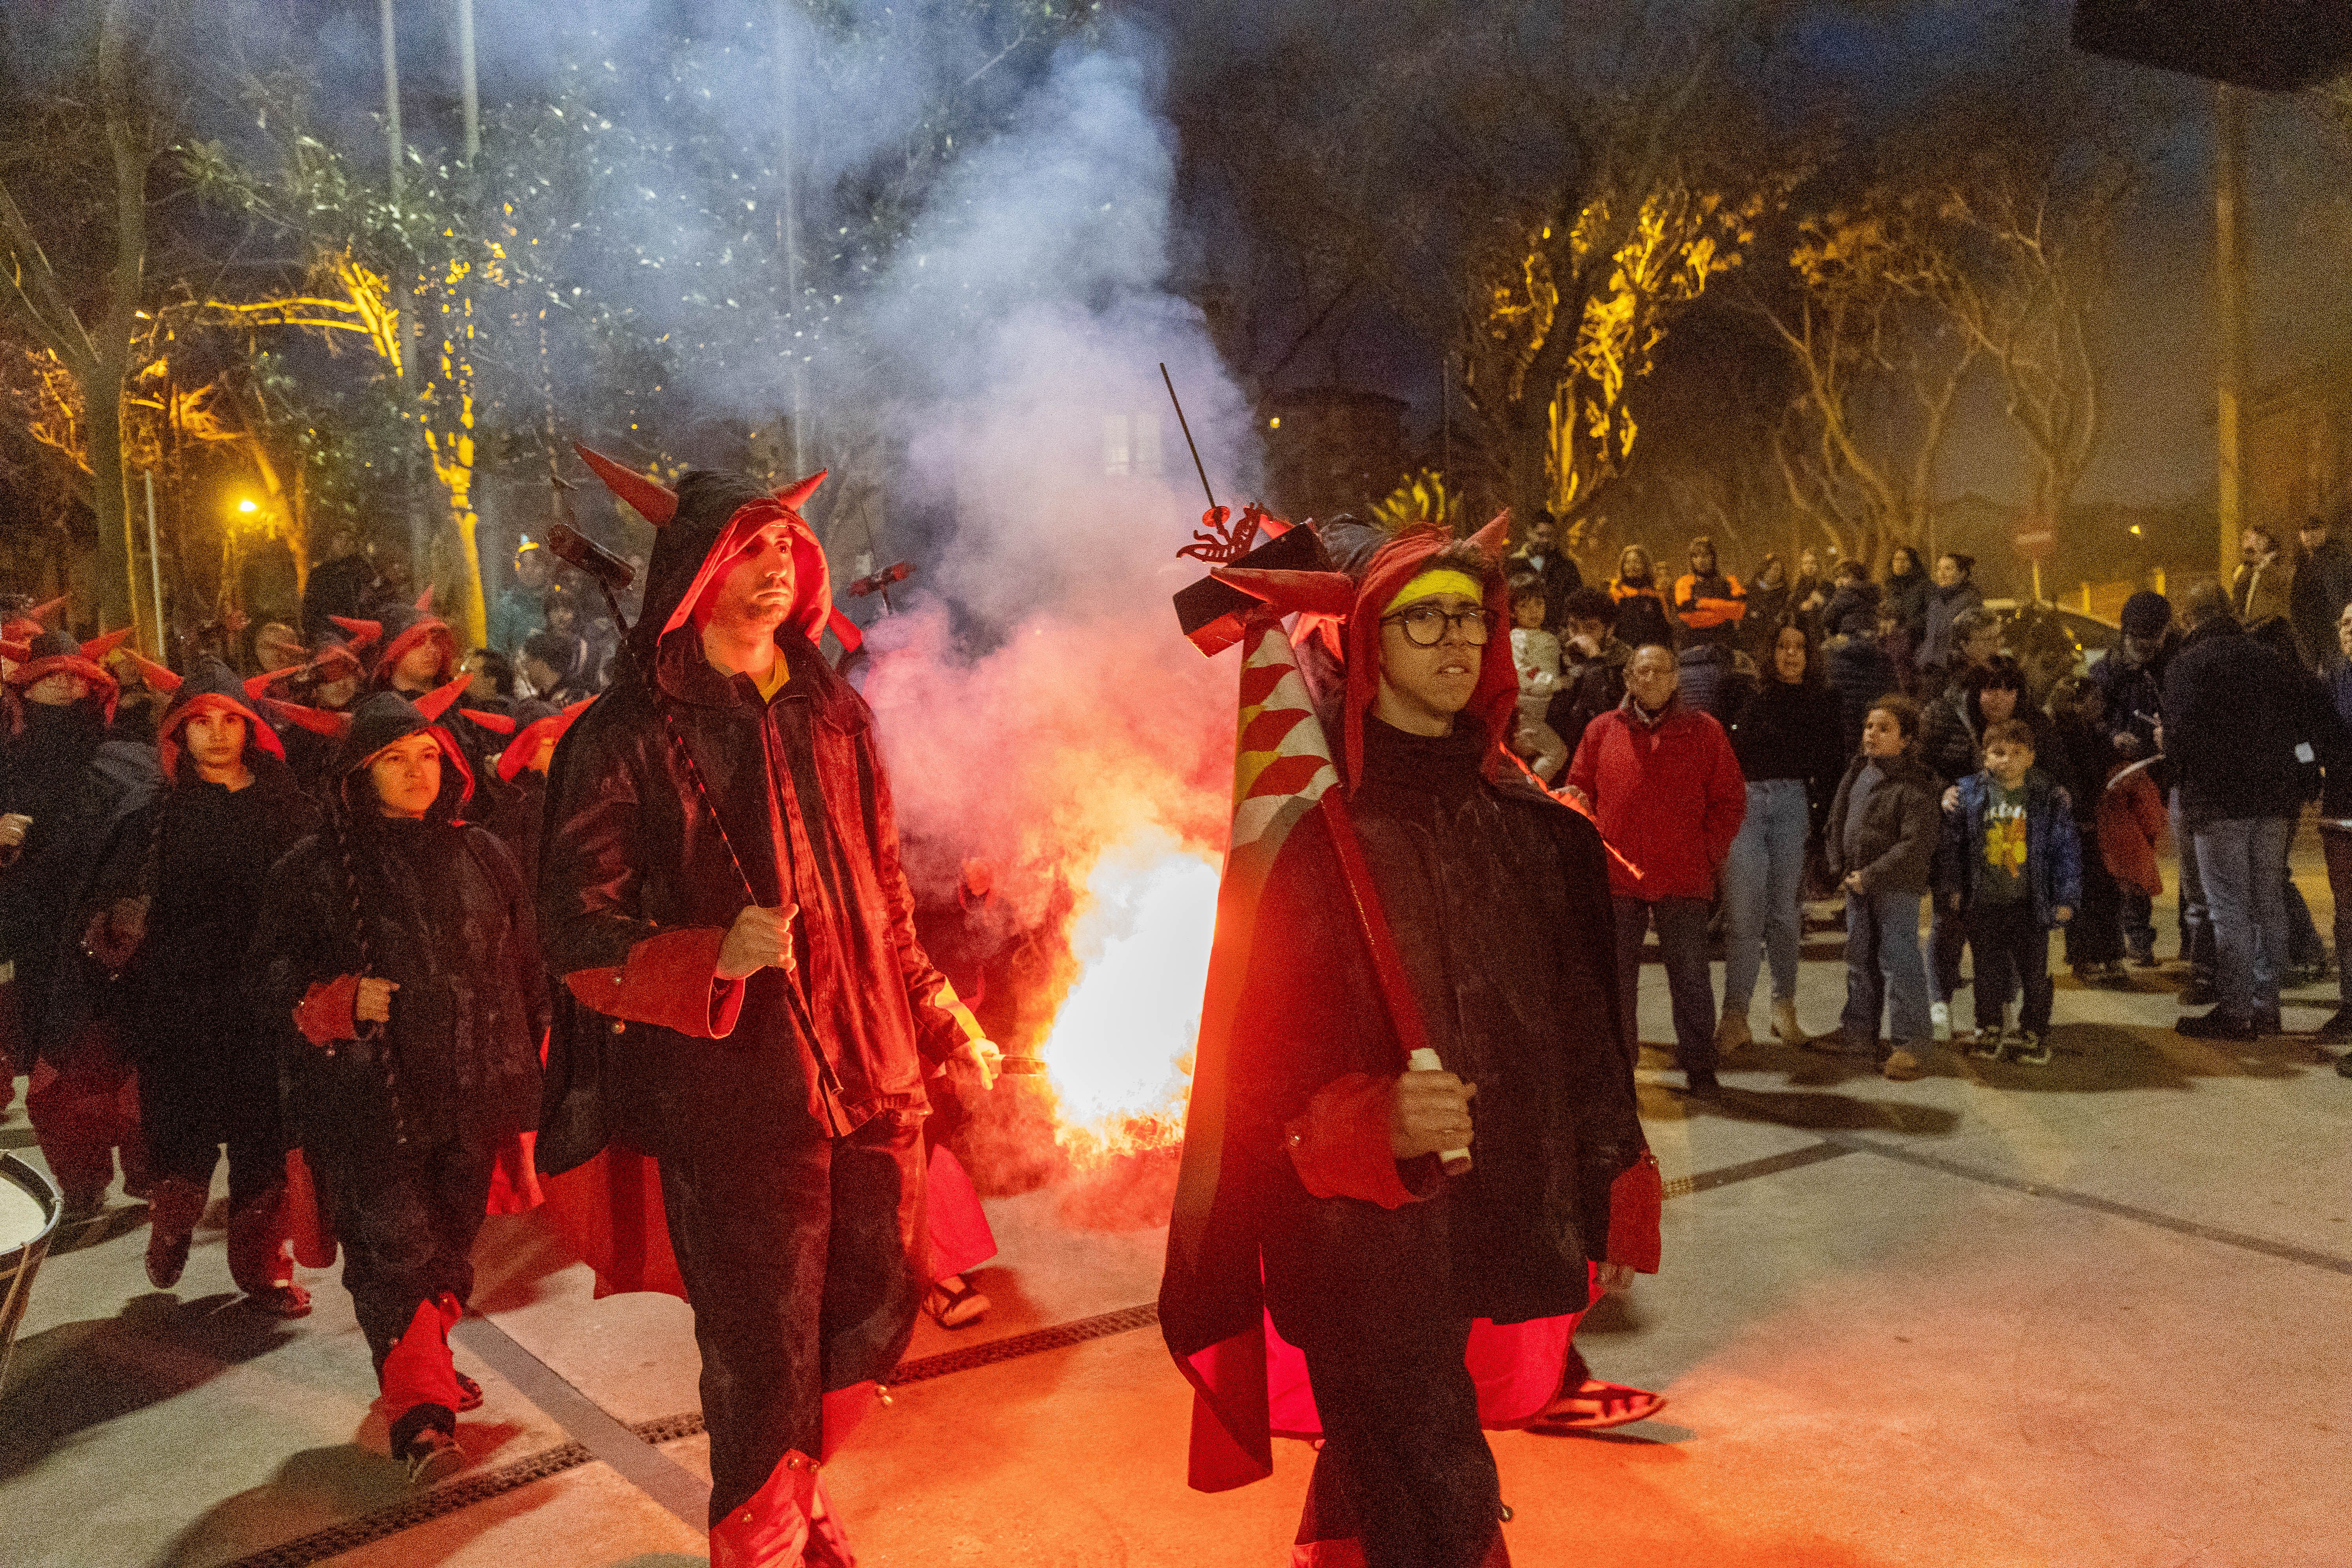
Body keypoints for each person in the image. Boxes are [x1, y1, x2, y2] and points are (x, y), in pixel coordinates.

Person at [1158, 520, 1653, 1568]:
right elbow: (1255, 1070)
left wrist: (1606, 1174)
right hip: (1354, 1241)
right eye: (1423, 618)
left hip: (1493, 1213)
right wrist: (1369, 1118)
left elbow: (1581, 1037)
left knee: (1383, 1468)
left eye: (1470, 616)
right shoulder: (1311, 841)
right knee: (1439, 1485)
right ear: (1370, 642)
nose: (1455, 641)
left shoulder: (1534, 835)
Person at [539, 451, 1001, 1564]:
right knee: (760, 1344)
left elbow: (884, 898)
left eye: (782, 546)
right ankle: (763, 1535)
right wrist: (706, 954)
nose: (773, 567)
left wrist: (942, 1014)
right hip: (739, 1099)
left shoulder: (836, 713)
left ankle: (798, 1490)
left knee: (870, 1315)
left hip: (876, 1076)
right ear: (693, 573)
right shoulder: (623, 735)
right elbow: (572, 932)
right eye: (744, 549)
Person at [254, 682, 548, 1483]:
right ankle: (421, 1418)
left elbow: (528, 971)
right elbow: (268, 979)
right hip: (365, 1103)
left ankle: (425, 1362)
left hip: (473, 1093)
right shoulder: (310, 870)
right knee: (396, 1252)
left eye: (429, 755)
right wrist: (340, 1001)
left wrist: (532, 1083)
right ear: (361, 775)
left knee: (449, 1249)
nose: (419, 772)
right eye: (395, 760)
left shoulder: (485, 853)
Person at [81, 658, 319, 1312]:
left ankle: (263, 1264)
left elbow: (315, 899)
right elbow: (108, 899)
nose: (216, 735)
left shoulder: (290, 809)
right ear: (178, 734)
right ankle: (174, 1224)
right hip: (177, 1002)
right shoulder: (153, 813)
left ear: (251, 729)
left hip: (265, 1001)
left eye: (230, 721)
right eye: (200, 722)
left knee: (264, 1137)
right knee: (181, 1129)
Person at [0, 625, 153, 1216]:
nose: (65, 686)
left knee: (132, 1052)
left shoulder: (128, 756)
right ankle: (82, 1175)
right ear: (26, 688)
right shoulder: (7, 760)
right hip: (39, 931)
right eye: (50, 678)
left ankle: (150, 1165)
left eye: (76, 676)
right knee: (60, 1061)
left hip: (119, 930)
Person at [1564, 643, 1746, 1094]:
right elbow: (1577, 787)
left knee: (1690, 977)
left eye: (1658, 671)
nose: (1648, 679)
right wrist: (1583, 814)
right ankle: (1620, 1071)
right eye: (1640, 672)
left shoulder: (1705, 732)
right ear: (1627, 678)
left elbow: (1729, 799)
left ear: (1674, 678)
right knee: (1618, 982)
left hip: (1683, 875)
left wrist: (1707, 851)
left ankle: (1700, 1065)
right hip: (1618, 875)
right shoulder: (1602, 730)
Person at [2163, 581, 2319, 1039]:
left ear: (2189, 619)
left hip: (2219, 803)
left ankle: (2235, 1010)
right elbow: (2304, 727)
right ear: (2230, 610)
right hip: (2274, 801)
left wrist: (2172, 762)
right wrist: (2305, 774)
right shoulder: (2274, 661)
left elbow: (2180, 740)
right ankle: (2267, 1006)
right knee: (2268, 900)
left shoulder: (2188, 666)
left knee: (2228, 907)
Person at [1719, 621, 1843, 1051]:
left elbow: (1830, 765)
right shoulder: (1743, 694)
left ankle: (1783, 1008)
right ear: (1769, 651)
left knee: (1787, 915)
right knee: (1744, 916)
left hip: (1794, 804)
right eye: (1783, 646)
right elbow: (1725, 754)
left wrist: (1824, 824)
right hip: (1747, 804)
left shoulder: (1824, 701)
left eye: (1800, 647)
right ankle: (1735, 1017)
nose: (1791, 654)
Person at [1938, 719, 2080, 1064]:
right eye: (1999, 753)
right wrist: (1954, 886)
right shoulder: (1969, 794)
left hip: (2030, 903)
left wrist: (2067, 897)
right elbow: (1952, 846)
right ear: (1985, 756)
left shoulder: (2047, 795)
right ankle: (1988, 1028)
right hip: (1985, 902)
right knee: (1986, 970)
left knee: (2035, 972)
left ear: (2031, 757)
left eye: (2017, 754)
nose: (2007, 760)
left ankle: (2034, 1032)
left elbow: (2065, 848)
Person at [1820, 696, 1940, 1080]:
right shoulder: (1858, 772)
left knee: (1899, 960)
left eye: (1884, 728)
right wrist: (1839, 866)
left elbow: (1914, 844)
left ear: (1906, 739)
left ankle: (1911, 1043)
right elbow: (1838, 818)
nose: (1872, 734)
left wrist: (1871, 874)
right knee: (1859, 958)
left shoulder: (1916, 787)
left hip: (1896, 887)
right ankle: (1858, 1032)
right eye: (1870, 726)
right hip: (1858, 884)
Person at [2090, 591, 2176, 966]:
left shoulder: (2172, 666)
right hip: (2122, 776)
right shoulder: (2106, 673)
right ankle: (2136, 938)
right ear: (2125, 635)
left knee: (2160, 855)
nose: (2147, 648)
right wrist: (2112, 736)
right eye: (2139, 640)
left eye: (2154, 640)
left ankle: (2184, 943)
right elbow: (2090, 717)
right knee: (2132, 855)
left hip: (2163, 772)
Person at [2045, 677, 2129, 988]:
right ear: (2077, 703)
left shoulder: (2092, 734)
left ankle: (2107, 954)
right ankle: (2088, 956)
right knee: (2086, 891)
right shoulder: (2064, 737)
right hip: (2079, 825)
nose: (2102, 707)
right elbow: (2073, 778)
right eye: (2095, 701)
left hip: (2093, 823)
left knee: (2103, 890)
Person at [1822, 568, 1897, 760]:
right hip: (1874, 731)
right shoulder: (1884, 656)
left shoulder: (1830, 656)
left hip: (1839, 731)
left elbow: (1827, 619)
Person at [1506, 572, 1569, 780]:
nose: (1534, 611)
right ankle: (1530, 789)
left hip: (1545, 708)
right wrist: (1553, 683)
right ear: (1514, 610)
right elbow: (1522, 670)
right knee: (1556, 753)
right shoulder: (1518, 636)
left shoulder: (1549, 636)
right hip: (1526, 709)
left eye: (1539, 604)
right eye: (1525, 606)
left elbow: (1557, 663)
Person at [1555, 585, 1630, 759]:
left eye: (1590, 629)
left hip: (1603, 752)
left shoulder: (1625, 661)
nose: (1580, 638)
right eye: (1574, 627)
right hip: (1563, 751)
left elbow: (1607, 710)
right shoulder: (1556, 651)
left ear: (1609, 630)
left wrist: (1595, 659)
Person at [299, 523, 383, 645]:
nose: (344, 543)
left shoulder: (360, 568)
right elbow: (310, 610)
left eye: (348, 539)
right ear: (332, 541)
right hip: (329, 633)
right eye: (339, 538)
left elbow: (377, 594)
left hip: (358, 632)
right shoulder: (320, 573)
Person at [1918, 552, 1986, 694]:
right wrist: (1922, 657)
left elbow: (1972, 639)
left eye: (1948, 569)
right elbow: (1930, 636)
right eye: (1939, 569)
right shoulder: (1936, 600)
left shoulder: (1971, 600)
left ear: (1962, 574)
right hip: (1930, 670)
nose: (1942, 573)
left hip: (1954, 673)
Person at [2292, 512, 2352, 672]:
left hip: (2330, 636)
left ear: (2324, 532)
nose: (2308, 535)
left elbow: (2339, 599)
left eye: (2314, 530)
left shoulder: (2335, 559)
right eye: (2304, 531)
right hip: (2308, 636)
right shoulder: (2304, 562)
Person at [1505, 512, 1581, 631]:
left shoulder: (1567, 568)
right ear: (1529, 533)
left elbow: (1575, 604)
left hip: (1557, 633)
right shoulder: (1513, 565)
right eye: (1541, 535)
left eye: (1550, 536)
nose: (1546, 540)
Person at [1670, 534, 1745, 650]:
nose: (1701, 560)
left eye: (1705, 555)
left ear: (1713, 557)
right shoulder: (1684, 583)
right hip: (1693, 644)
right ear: (1691, 560)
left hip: (1725, 644)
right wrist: (1723, 614)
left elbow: (1738, 611)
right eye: (1696, 556)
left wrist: (1701, 604)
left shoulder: (1729, 582)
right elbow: (1686, 616)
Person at [487, 538, 554, 657]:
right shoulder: (507, 605)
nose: (529, 571)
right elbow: (496, 649)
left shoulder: (554, 603)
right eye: (523, 565)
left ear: (546, 568)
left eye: (535, 564)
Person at [1607, 544, 1675, 652]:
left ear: (1645, 566)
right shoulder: (1616, 592)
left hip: (1653, 651)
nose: (1632, 566)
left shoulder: (1655, 593)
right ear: (1622, 567)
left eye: (1637, 562)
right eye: (1628, 562)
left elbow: (1665, 625)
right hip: (1625, 652)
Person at [2230, 526, 2294, 636]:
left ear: (2263, 542)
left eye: (2248, 538)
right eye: (2243, 539)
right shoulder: (2246, 571)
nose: (2244, 543)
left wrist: (2265, 566)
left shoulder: (2281, 566)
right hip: (2249, 633)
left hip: (2271, 633)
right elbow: (2238, 605)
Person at [1884, 544, 1932, 664]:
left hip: (1915, 639)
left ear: (1913, 563)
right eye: (1896, 560)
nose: (1899, 563)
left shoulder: (1924, 585)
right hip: (1892, 638)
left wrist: (1906, 627)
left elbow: (1931, 613)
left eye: (1904, 560)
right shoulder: (1890, 586)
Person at [1742, 554, 1791, 656]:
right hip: (1750, 634)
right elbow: (1745, 608)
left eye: (1778, 570)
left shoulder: (1784, 592)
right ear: (1766, 569)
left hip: (1771, 636)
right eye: (1772, 568)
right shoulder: (1752, 587)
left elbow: (1783, 613)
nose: (1774, 572)